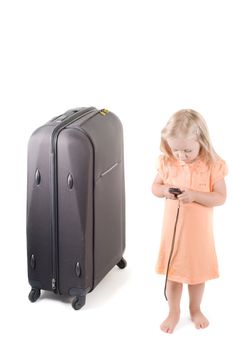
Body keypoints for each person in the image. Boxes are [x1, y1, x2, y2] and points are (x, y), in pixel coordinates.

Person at [151, 109, 228, 333]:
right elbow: (154, 188)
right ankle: (173, 312)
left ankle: (195, 309)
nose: (182, 155)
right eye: (176, 150)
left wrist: (194, 195)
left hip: (198, 237)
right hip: (173, 235)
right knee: (173, 277)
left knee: (196, 276)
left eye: (187, 150)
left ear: (201, 141)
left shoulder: (213, 165)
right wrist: (165, 190)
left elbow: (220, 197)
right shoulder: (168, 163)